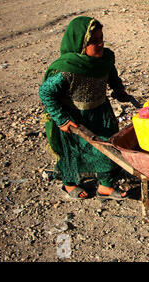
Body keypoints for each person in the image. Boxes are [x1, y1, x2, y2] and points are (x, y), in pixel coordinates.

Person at [39, 16, 131, 200]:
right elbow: (46, 93)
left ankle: (105, 186)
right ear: (80, 44)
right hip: (75, 118)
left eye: (101, 39)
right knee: (73, 152)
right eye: (93, 41)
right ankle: (70, 183)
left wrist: (118, 89)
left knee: (108, 147)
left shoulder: (104, 59)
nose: (100, 44)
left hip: (101, 113)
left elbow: (111, 73)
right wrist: (61, 119)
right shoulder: (68, 69)